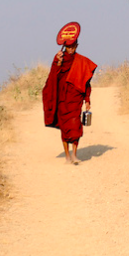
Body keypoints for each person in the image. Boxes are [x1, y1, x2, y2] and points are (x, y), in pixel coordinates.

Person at [42, 22, 97, 165]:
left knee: (75, 127)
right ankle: (67, 156)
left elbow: (86, 83)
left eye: (73, 47)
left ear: (77, 46)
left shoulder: (82, 62)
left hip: (75, 100)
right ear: (65, 47)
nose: (70, 49)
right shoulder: (59, 59)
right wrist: (57, 63)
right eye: (68, 47)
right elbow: (53, 78)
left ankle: (75, 155)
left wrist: (87, 100)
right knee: (65, 129)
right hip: (62, 99)